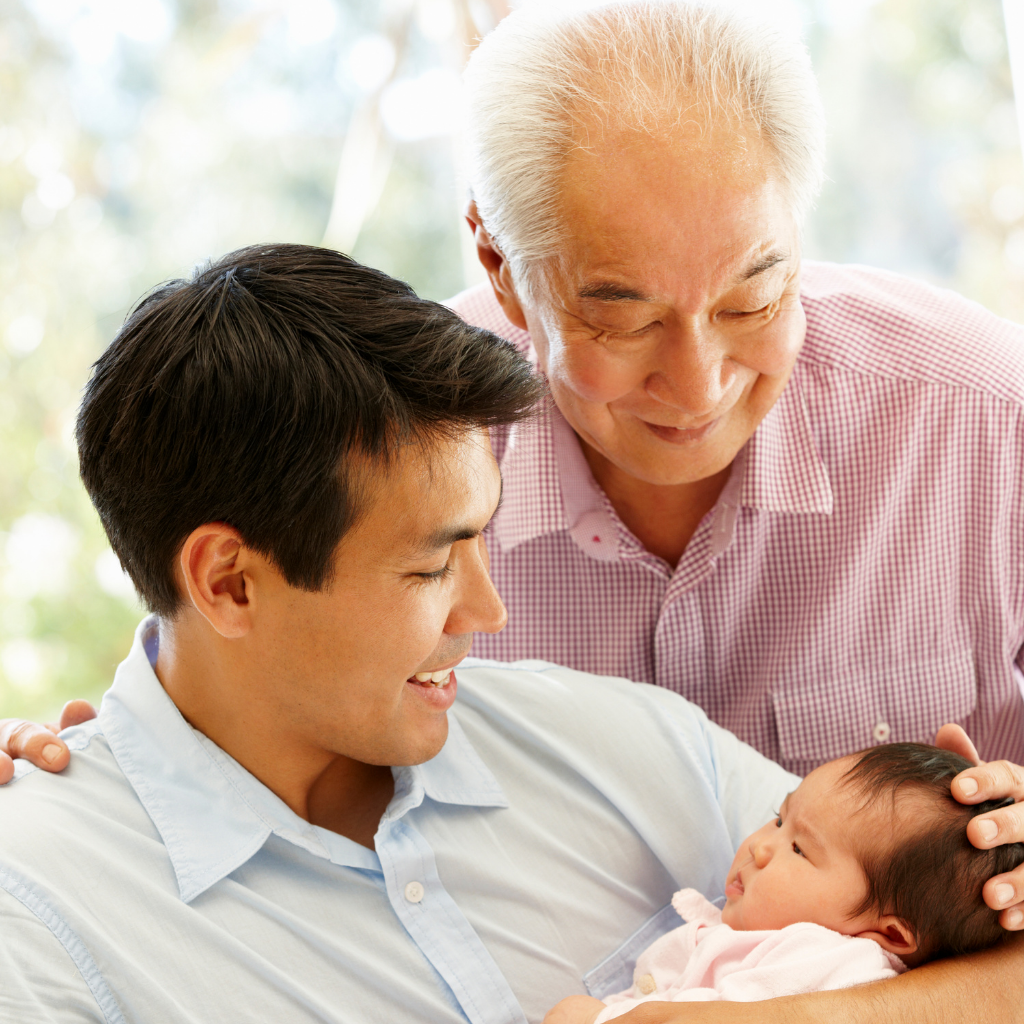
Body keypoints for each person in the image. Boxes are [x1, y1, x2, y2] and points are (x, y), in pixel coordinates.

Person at [1, 247, 1023, 1024]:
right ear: (228, 582)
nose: (486, 613)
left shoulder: (629, 745)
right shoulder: (41, 910)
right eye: (430, 563)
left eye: (483, 540)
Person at [449, 2, 1024, 779]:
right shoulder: (393, 453)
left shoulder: (985, 419)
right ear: (500, 268)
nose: (697, 387)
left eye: (750, 304)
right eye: (626, 321)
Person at [546, 744, 1024, 1023]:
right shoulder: (765, 936)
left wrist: (590, 1016)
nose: (759, 846)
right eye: (779, 819)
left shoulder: (830, 962)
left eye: (800, 849)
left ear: (891, 935)